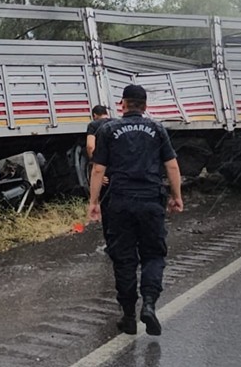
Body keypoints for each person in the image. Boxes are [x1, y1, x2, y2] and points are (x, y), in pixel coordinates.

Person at [87, 84, 183, 336]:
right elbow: (171, 166)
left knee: (124, 258)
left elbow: (98, 169)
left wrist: (93, 202)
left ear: (123, 104)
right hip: (151, 200)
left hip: (119, 203)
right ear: (145, 105)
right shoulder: (157, 129)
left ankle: (128, 315)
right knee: (153, 254)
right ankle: (149, 304)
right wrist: (176, 196)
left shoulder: (108, 129)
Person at [73, 105, 112, 234]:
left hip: (104, 166)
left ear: (95, 115)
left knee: (104, 194)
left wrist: (94, 163)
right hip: (119, 167)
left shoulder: (94, 125)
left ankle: (103, 223)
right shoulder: (116, 123)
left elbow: (90, 146)